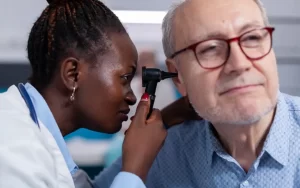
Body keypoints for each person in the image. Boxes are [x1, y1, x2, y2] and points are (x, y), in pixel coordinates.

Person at [92, 0, 300, 187]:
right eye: (209, 49)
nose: (239, 64)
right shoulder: (164, 154)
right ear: (178, 76)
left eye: (252, 37)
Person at [0, 0, 194, 187]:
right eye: (125, 78)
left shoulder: (36, 134)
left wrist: (166, 119)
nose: (132, 97)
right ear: (73, 74)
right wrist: (135, 170)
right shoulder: (12, 146)